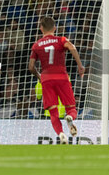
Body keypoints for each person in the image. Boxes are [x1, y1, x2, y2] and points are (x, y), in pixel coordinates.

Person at [29, 16, 84, 144]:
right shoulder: (61, 40)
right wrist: (80, 65)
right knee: (71, 108)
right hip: (62, 77)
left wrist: (40, 77)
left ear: (41, 28)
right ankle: (69, 117)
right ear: (55, 28)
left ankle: (61, 134)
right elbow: (72, 47)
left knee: (53, 113)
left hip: (47, 79)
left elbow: (31, 67)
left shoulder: (36, 45)